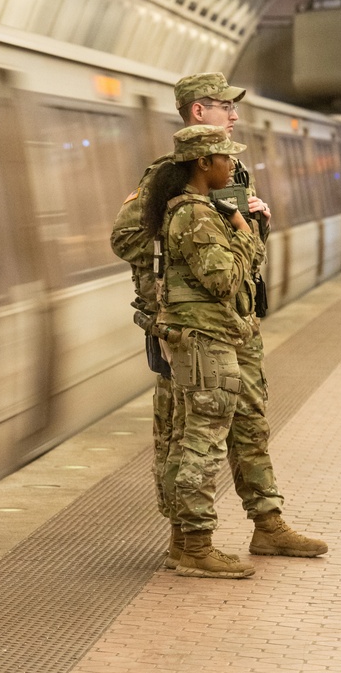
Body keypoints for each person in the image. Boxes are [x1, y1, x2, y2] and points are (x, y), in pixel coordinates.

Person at [112, 72, 326, 572]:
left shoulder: (235, 175)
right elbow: (127, 241)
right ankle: (186, 537)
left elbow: (244, 263)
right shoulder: (165, 179)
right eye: (223, 107)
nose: (233, 115)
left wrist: (254, 224)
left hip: (239, 322)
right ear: (196, 112)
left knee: (251, 422)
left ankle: (268, 523)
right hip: (190, 325)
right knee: (189, 429)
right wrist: (189, 236)